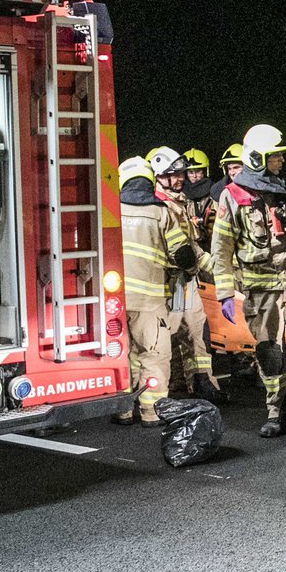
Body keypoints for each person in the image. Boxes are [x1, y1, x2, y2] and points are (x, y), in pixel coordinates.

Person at [212, 125, 286, 437]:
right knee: (270, 354)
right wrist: (224, 292)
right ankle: (277, 412)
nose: (279, 160)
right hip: (260, 289)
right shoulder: (232, 195)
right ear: (257, 157)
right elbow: (220, 248)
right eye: (274, 156)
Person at [116, 156, 195, 426]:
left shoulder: (110, 210)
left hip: (114, 300)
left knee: (123, 352)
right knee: (154, 354)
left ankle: (123, 409)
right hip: (150, 299)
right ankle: (151, 411)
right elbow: (182, 254)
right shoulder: (160, 211)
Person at [149, 146, 221, 403]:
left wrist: (214, 268)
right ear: (160, 176)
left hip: (186, 279)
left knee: (195, 329)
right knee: (171, 332)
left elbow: (192, 244)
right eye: (174, 174)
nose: (181, 179)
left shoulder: (180, 202)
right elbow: (179, 249)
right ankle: (178, 383)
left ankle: (202, 382)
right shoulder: (158, 205)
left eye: (182, 174)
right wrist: (206, 265)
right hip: (170, 282)